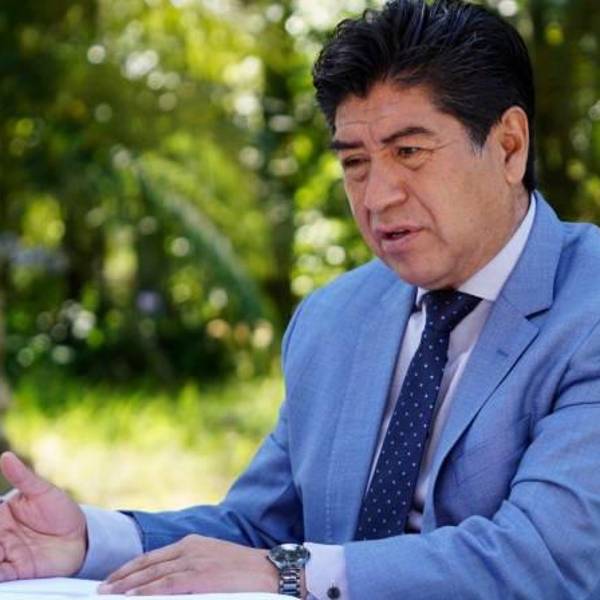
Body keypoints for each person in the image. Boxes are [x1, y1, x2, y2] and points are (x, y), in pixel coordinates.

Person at [2, 0, 600, 598]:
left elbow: (545, 559)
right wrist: (88, 541)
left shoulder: (587, 310)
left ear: (509, 146)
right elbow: (258, 532)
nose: (377, 197)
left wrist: (291, 573)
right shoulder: (333, 319)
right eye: (355, 162)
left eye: (409, 152)